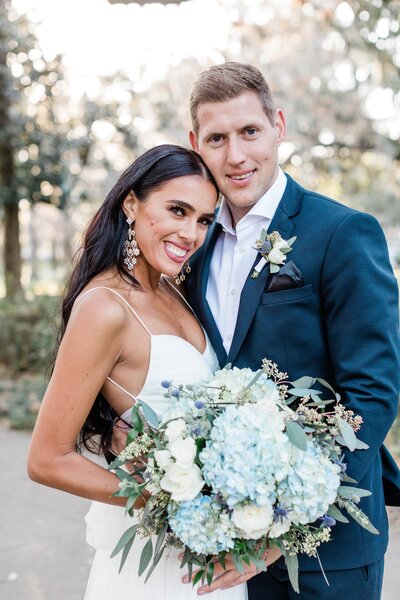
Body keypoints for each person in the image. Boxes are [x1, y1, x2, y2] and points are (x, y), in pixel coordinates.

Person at [183, 62, 400, 599]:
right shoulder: (192, 245)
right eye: (217, 138)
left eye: (249, 131)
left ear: (278, 125)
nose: (235, 155)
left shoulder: (343, 232)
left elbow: (372, 395)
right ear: (196, 144)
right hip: (228, 545)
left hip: (331, 548)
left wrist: (286, 526)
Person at [27, 144, 252, 599]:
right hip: (157, 562)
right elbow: (46, 459)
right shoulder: (105, 307)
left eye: (205, 220)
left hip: (207, 550)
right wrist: (168, 496)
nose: (191, 233)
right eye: (177, 210)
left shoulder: (175, 288)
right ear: (132, 203)